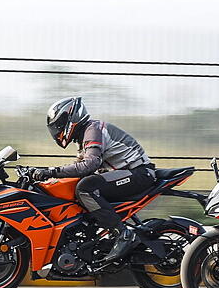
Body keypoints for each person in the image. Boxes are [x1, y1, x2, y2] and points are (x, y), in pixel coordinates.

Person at [31, 97, 156, 264]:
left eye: (59, 124)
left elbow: (89, 165)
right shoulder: (84, 137)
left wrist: (50, 172)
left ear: (71, 118)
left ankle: (123, 234)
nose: (57, 130)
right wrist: (45, 176)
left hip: (139, 173)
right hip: (125, 173)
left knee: (86, 187)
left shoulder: (93, 130)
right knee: (77, 186)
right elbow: (78, 168)